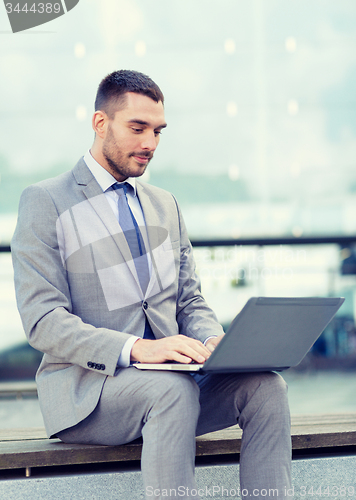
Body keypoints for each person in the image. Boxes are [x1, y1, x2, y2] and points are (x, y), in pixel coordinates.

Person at [11, 70, 291, 499]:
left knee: (266, 387)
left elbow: (189, 300)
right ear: (100, 124)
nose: (150, 144)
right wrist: (137, 349)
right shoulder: (45, 201)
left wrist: (214, 341)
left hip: (173, 381)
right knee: (171, 390)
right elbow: (43, 320)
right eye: (137, 128)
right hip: (89, 395)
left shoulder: (164, 204)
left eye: (158, 131)